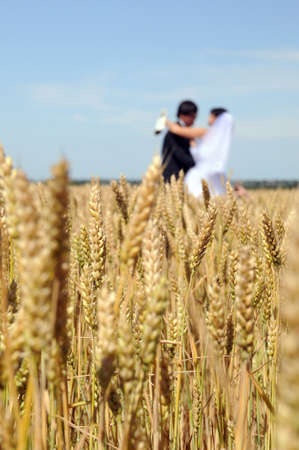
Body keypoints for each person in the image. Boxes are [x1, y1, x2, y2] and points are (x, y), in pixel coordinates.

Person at [164, 108, 233, 196]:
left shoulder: (205, 132)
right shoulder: (220, 139)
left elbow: (177, 130)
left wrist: (165, 121)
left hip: (199, 176)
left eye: (210, 116)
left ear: (215, 118)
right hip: (212, 175)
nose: (208, 118)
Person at [158, 100, 198, 182]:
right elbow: (180, 154)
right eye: (193, 117)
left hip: (182, 178)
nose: (194, 120)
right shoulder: (174, 133)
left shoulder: (182, 132)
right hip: (172, 177)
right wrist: (198, 164)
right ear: (183, 115)